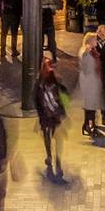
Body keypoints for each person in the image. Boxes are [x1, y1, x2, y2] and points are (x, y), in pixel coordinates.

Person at [35, 50, 66, 178]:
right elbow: (37, 100)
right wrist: (41, 114)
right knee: (48, 134)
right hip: (46, 114)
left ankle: (57, 158)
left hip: (54, 112)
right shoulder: (40, 83)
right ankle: (50, 155)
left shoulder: (54, 80)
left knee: (57, 136)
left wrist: (62, 110)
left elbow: (62, 95)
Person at [76, 33, 105, 135]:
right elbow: (83, 63)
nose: (96, 42)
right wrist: (85, 53)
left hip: (94, 80)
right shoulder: (85, 50)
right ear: (90, 41)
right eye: (95, 40)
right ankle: (90, 125)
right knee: (90, 104)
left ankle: (87, 124)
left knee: (92, 104)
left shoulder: (93, 51)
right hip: (88, 81)